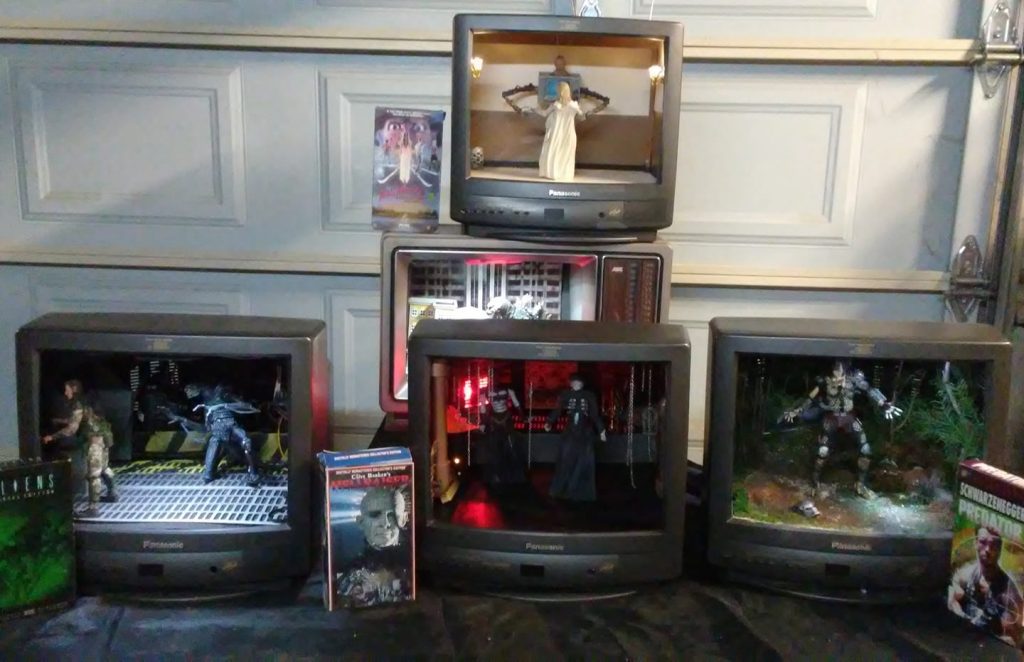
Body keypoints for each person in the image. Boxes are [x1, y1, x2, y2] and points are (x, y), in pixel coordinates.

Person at [781, 359, 901, 501]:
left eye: (840, 374)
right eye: (834, 374)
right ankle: (814, 483)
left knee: (866, 450)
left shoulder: (854, 380)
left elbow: (870, 390)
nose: (837, 378)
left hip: (849, 418)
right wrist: (796, 410)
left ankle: (860, 485)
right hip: (831, 418)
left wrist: (883, 404)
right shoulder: (824, 381)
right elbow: (809, 398)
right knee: (822, 451)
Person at [43, 380, 117, 514]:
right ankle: (112, 493)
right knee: (104, 468)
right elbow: (82, 419)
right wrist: (60, 421)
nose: (65, 393)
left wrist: (52, 437)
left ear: (74, 390)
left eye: (67, 390)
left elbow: (72, 429)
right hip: (105, 437)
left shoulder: (78, 405)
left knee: (93, 475)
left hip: (95, 441)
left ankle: (93, 508)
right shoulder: (87, 401)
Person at [336, 487, 412, 607]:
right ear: (360, 522)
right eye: (375, 514)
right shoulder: (349, 574)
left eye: (392, 515)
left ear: (404, 519)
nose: (385, 523)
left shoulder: (414, 566)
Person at [948, 525, 1024, 646]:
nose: (988, 549)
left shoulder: (1009, 594)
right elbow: (951, 599)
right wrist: (964, 618)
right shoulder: (965, 574)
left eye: (994, 545)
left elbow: (1013, 640)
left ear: (999, 549)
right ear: (975, 543)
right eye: (983, 542)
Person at [545, 373, 606, 502]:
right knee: (565, 458)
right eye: (574, 382)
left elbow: (594, 414)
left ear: (582, 384)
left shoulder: (589, 396)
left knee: (584, 460)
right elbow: (558, 410)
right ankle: (562, 488)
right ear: (571, 383)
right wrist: (549, 421)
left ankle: (581, 490)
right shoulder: (565, 395)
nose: (577, 384)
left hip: (585, 432)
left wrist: (601, 430)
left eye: (579, 382)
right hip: (570, 430)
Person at [478, 385, 527, 489]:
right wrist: (482, 423)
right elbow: (483, 411)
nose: (499, 401)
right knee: (494, 450)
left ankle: (513, 476)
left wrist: (523, 417)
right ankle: (496, 476)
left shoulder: (508, 392)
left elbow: (517, 406)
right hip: (494, 424)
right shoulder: (485, 394)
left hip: (506, 423)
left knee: (511, 448)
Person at [537, 81, 585, 181]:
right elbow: (582, 116)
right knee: (566, 154)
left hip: (556, 132)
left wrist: (536, 110)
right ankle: (565, 174)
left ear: (560, 91)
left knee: (554, 152)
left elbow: (544, 114)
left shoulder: (556, 105)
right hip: (568, 132)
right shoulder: (574, 105)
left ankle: (553, 173)